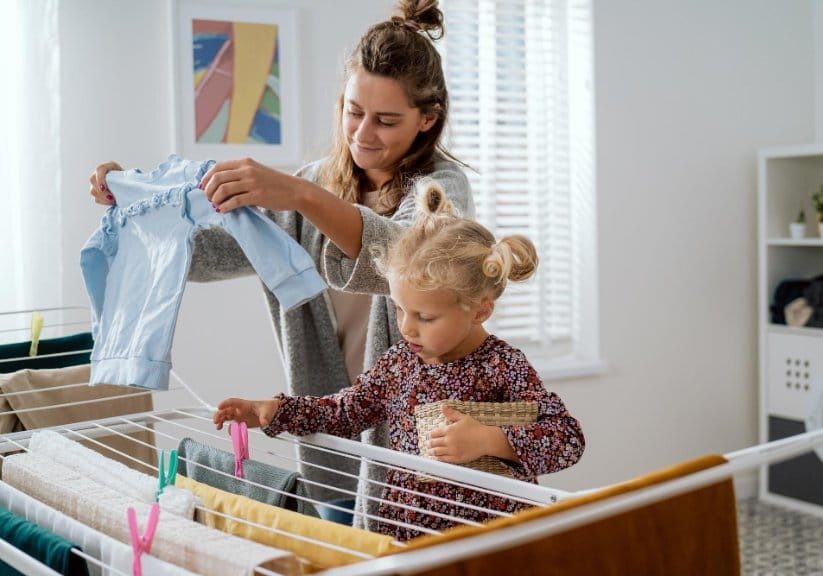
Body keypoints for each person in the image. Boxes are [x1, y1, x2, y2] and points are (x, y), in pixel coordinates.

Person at [88, 0, 474, 527]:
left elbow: (405, 259)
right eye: (354, 111)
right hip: (329, 439)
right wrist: (137, 207)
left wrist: (297, 193)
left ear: (427, 119)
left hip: (413, 443)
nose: (363, 134)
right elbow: (206, 254)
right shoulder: (313, 185)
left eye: (387, 120)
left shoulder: (442, 191)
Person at [213, 180, 586, 541]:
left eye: (425, 317)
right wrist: (275, 411)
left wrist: (491, 440)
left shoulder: (504, 366)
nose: (407, 327)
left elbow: (567, 439)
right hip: (410, 538)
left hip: (493, 544)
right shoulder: (399, 363)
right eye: (400, 309)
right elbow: (344, 412)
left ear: (479, 311)